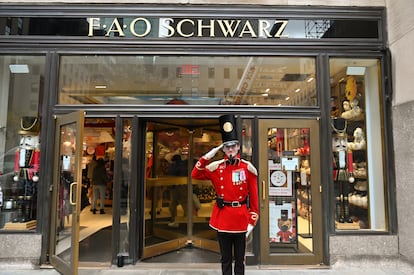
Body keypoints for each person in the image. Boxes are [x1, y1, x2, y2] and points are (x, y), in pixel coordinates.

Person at [191, 114, 259, 275]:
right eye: (227, 147)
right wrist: (208, 155)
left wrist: (252, 219)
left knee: (240, 259)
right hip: (223, 218)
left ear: (238, 148)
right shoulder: (216, 167)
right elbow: (195, 174)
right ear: (223, 149)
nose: (230, 150)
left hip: (241, 217)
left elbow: (254, 198)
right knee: (225, 258)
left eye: (233, 146)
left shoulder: (247, 168)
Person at [167, 154, 201, 228]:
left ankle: (174, 220)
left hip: (175, 187)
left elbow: (170, 174)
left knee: (174, 203)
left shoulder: (173, 166)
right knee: (185, 203)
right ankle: (188, 220)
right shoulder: (184, 165)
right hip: (183, 186)